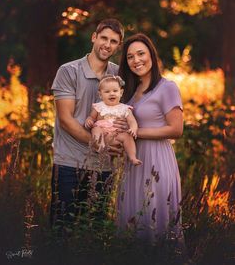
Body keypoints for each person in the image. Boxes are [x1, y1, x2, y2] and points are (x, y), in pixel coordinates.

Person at [50, 18, 125, 234]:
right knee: (62, 230)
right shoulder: (68, 71)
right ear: (94, 37)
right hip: (69, 163)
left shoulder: (119, 76)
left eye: (113, 41)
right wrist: (99, 143)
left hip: (103, 166)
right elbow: (65, 119)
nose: (107, 45)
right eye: (103, 38)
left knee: (95, 232)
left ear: (118, 46)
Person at [117, 33, 184, 245]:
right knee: (133, 219)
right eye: (130, 57)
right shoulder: (130, 91)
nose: (136, 60)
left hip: (158, 160)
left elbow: (176, 129)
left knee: (156, 218)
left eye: (140, 54)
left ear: (151, 56)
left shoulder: (167, 87)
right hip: (134, 162)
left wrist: (136, 132)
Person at [85, 74, 142, 166]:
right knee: (95, 129)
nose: (112, 93)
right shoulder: (98, 106)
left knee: (128, 137)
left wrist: (133, 129)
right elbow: (91, 117)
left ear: (121, 92)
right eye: (107, 91)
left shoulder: (125, 108)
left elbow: (132, 121)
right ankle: (101, 148)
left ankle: (132, 157)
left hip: (117, 135)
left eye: (115, 91)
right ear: (100, 94)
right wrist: (89, 120)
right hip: (103, 134)